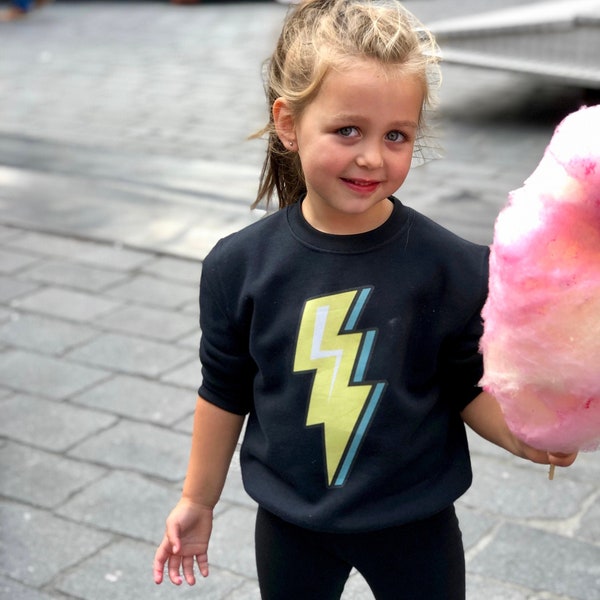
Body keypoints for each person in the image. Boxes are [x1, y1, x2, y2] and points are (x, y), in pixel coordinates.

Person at [153, 1, 577, 598]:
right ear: (288, 123)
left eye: (396, 135)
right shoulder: (238, 266)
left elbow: (462, 383)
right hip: (291, 521)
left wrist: (519, 434)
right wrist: (197, 499)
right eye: (347, 130)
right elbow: (224, 389)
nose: (373, 156)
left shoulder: (452, 265)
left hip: (415, 520)